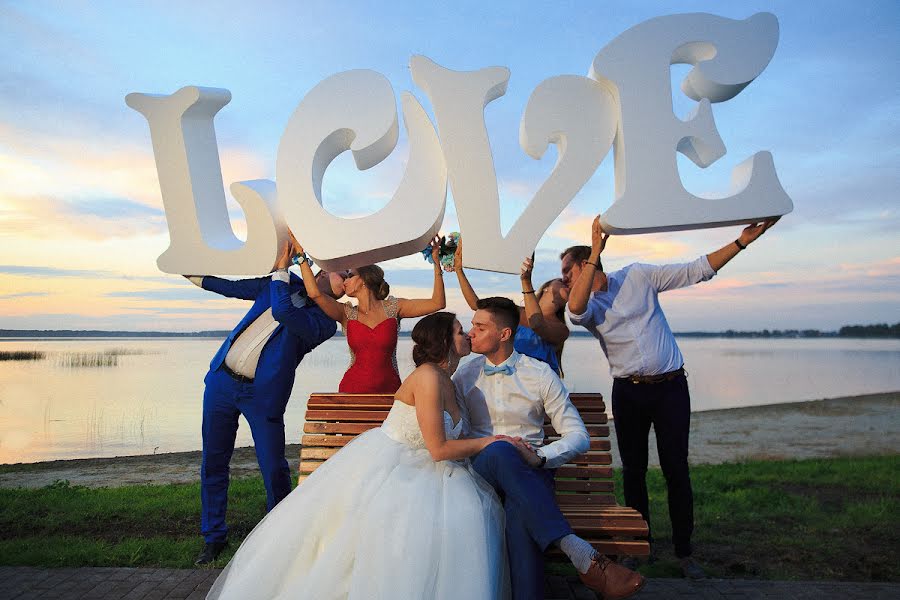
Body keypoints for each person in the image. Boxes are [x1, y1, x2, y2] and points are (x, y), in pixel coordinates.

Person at [206, 312, 511, 600]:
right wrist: (491, 442)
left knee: (464, 515)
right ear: (445, 341)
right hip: (398, 465)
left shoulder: (452, 381)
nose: (467, 335)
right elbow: (438, 448)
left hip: (432, 466)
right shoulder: (428, 378)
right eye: (460, 331)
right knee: (421, 521)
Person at [563, 216, 779, 579]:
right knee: (633, 473)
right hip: (628, 393)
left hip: (671, 389)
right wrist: (596, 251)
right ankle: (638, 548)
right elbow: (574, 311)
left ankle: (684, 552)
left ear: (587, 264)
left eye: (569, 269)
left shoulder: (638, 276)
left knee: (676, 470)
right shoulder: (589, 308)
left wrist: (742, 242)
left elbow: (696, 270)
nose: (565, 277)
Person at [453, 297, 645, 600]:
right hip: (482, 471)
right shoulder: (464, 375)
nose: (470, 333)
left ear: (504, 334)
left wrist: (541, 456)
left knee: (520, 517)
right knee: (502, 450)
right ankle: (581, 553)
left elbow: (578, 435)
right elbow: (458, 433)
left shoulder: (540, 373)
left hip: (530, 472)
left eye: (480, 327)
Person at [185, 236, 347, 565]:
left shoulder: (326, 324)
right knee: (213, 463)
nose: (345, 282)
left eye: (349, 278)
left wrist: (281, 269)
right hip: (221, 382)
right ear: (324, 268)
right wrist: (191, 274)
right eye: (342, 272)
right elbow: (231, 288)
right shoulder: (282, 281)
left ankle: (281, 536)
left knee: (273, 468)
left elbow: (284, 313)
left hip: (263, 397)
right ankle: (213, 537)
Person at [293, 233, 447, 393]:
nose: (345, 281)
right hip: (351, 393)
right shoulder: (346, 313)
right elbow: (314, 293)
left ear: (364, 279)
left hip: (390, 393)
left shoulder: (395, 307)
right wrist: (301, 257)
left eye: (350, 275)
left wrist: (436, 264)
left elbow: (438, 303)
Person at [450, 237, 570, 376]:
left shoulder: (561, 329)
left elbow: (537, 324)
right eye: (561, 281)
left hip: (537, 386)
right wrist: (459, 270)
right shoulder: (515, 312)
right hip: (508, 380)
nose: (567, 282)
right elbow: (476, 305)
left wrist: (525, 281)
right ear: (546, 288)